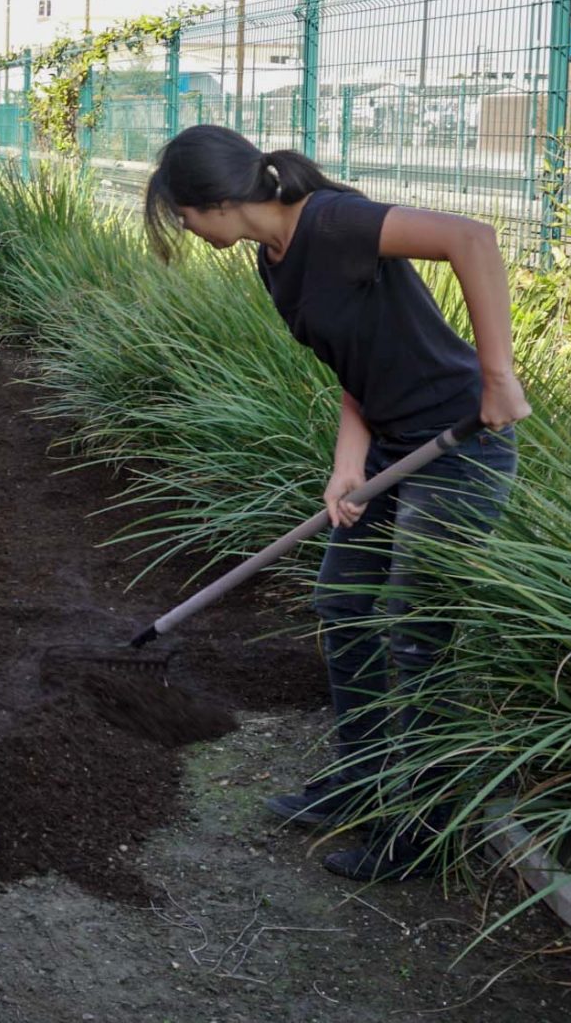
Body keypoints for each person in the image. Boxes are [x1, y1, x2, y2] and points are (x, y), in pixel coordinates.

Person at [142, 124, 529, 882]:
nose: (183, 227)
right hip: (390, 449)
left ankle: (425, 832)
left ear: (217, 202)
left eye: (182, 213)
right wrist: (346, 465)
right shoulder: (273, 262)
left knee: (418, 639)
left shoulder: (333, 221)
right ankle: (365, 776)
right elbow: (352, 364)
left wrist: (497, 375)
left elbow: (472, 240)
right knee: (344, 604)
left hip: (461, 446)